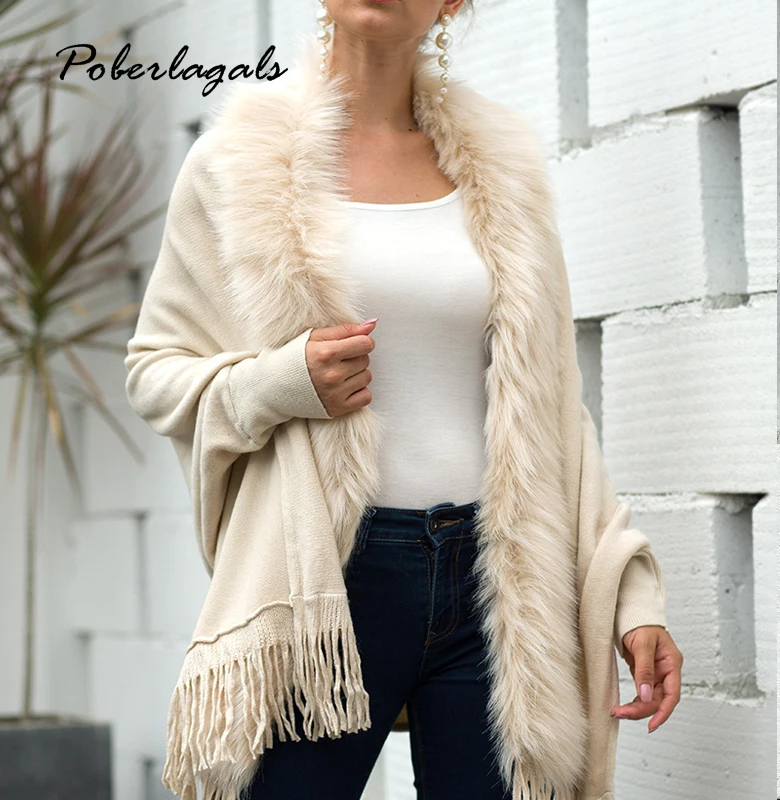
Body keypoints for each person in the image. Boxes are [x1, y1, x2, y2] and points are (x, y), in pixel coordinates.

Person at [124, 2, 684, 799]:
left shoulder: (503, 172)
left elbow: (556, 407)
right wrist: (282, 381)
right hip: (325, 580)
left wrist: (632, 598)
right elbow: (155, 370)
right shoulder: (237, 164)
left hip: (497, 587)